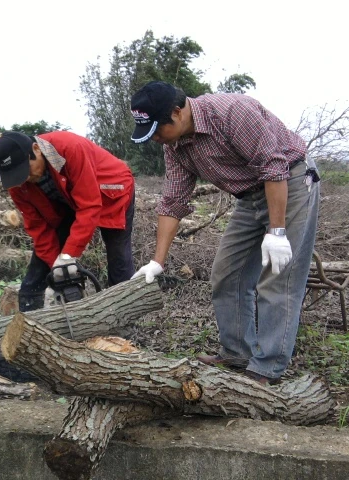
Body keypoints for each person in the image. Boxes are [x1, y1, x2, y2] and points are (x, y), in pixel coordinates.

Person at [129, 81, 320, 385]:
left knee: (277, 276)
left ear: (177, 113)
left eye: (156, 132)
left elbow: (274, 168)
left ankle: (266, 369)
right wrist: (157, 262)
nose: (156, 141)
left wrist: (277, 231)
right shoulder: (175, 145)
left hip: (291, 183)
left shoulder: (232, 113)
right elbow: (173, 201)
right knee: (227, 273)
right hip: (249, 194)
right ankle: (237, 352)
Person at [0, 130, 135, 312]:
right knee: (39, 269)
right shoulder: (18, 183)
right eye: (18, 175)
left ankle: (123, 317)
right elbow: (38, 228)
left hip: (112, 190)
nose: (24, 178)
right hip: (68, 201)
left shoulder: (70, 148)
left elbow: (89, 206)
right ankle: (30, 319)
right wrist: (57, 268)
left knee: (118, 258)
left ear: (36, 149)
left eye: (25, 170)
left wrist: (68, 256)